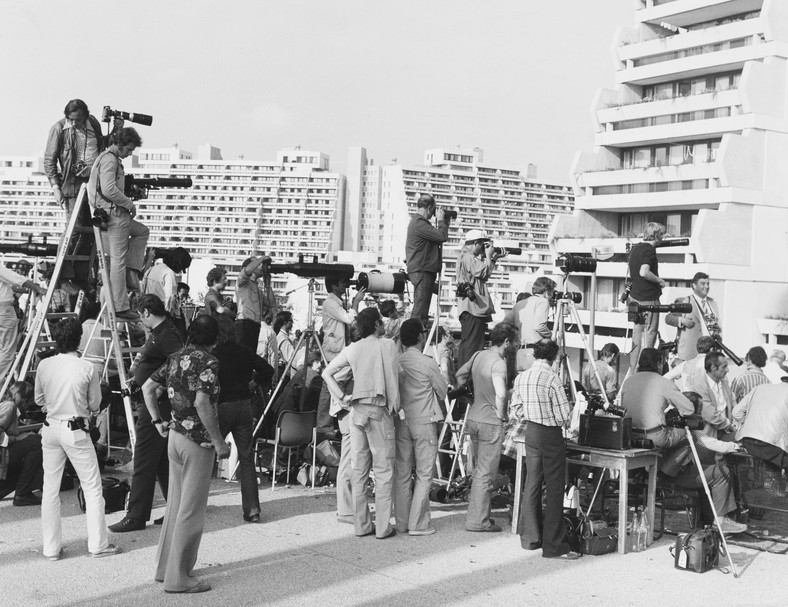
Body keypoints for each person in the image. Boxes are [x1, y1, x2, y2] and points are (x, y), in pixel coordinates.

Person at [142, 315, 230, 594]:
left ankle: (164, 568)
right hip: (197, 443)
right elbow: (203, 402)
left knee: (175, 507)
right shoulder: (209, 362)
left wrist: (158, 421)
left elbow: (148, 388)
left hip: (175, 437)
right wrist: (219, 442)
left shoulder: (175, 357)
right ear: (215, 339)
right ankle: (179, 577)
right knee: (191, 510)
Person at [620, 348, 746, 535]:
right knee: (692, 436)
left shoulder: (629, 381)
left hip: (631, 435)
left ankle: (663, 475)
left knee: (690, 441)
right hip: (656, 436)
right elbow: (687, 408)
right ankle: (720, 518)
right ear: (659, 363)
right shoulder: (662, 382)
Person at [36, 317, 121, 560]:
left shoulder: (44, 366)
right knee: (92, 487)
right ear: (79, 338)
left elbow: (39, 400)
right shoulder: (86, 368)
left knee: (50, 489)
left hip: (50, 428)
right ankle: (98, 545)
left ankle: (51, 548)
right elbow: (94, 404)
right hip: (76, 430)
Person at [322, 307, 400, 540]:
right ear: (376, 324)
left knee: (359, 470)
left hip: (356, 411)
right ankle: (383, 527)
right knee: (384, 470)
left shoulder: (353, 348)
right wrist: (396, 407)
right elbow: (393, 379)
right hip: (378, 409)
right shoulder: (386, 345)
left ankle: (362, 524)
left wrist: (341, 397)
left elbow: (327, 373)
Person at [109, 295, 184, 533]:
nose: (140, 322)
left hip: (156, 404)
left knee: (142, 460)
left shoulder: (167, 334)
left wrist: (157, 384)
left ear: (146, 312)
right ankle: (176, 508)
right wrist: (139, 380)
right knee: (161, 461)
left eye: (141, 316)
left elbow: (181, 362)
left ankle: (136, 516)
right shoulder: (162, 332)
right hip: (152, 399)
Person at [44, 99, 123, 284]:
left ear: (85, 116)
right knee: (74, 228)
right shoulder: (59, 129)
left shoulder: (93, 123)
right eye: (71, 119)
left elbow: (104, 145)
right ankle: (61, 274)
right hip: (72, 185)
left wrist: (116, 131)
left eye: (78, 119)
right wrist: (55, 187)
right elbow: (49, 160)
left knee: (89, 230)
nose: (74, 123)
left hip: (94, 183)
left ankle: (80, 276)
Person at [514, 339, 579, 559]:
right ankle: (554, 546)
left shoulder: (522, 376)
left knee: (532, 482)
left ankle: (530, 538)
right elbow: (563, 416)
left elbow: (516, 409)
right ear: (554, 357)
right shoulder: (553, 379)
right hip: (550, 434)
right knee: (554, 488)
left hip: (531, 431)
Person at [456, 322, 518, 533]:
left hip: (473, 418)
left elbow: (459, 376)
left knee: (478, 472)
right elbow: (501, 393)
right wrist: (502, 415)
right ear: (507, 342)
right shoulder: (499, 363)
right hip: (491, 422)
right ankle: (478, 522)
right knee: (486, 474)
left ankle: (481, 515)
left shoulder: (477, 356)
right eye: (515, 343)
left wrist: (470, 397)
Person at [212, 315, 272, 523]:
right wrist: (253, 384)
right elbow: (268, 370)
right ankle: (252, 509)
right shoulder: (244, 351)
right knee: (247, 460)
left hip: (221, 406)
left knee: (205, 453)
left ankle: (196, 504)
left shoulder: (213, 354)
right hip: (244, 406)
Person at [87, 127, 150, 321]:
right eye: (129, 149)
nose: (130, 153)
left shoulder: (107, 159)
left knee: (142, 231)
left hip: (112, 213)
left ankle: (132, 272)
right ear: (120, 144)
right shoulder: (109, 159)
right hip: (115, 215)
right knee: (117, 262)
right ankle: (120, 306)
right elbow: (108, 189)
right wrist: (128, 204)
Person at [394, 318, 448, 536]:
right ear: (420, 336)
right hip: (424, 420)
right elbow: (443, 392)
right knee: (425, 474)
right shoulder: (427, 362)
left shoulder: (397, 360)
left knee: (403, 473)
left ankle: (401, 522)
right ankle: (418, 524)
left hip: (401, 420)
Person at [316, 273, 364, 439]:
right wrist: (356, 302)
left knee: (337, 385)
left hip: (339, 349)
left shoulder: (339, 303)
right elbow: (349, 319)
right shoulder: (330, 303)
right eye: (343, 283)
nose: (345, 286)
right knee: (328, 388)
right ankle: (323, 425)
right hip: (333, 351)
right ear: (334, 285)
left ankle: (331, 422)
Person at [456, 229, 500, 368]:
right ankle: (467, 381)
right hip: (473, 309)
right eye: (483, 245)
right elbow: (483, 272)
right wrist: (489, 256)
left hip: (470, 309)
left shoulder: (465, 256)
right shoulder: (468, 257)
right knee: (473, 347)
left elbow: (483, 274)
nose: (483, 249)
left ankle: (463, 380)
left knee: (469, 344)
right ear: (476, 243)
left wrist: (492, 259)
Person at [627, 222, 667, 371]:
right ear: (656, 235)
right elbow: (644, 272)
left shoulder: (635, 249)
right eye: (662, 234)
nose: (663, 238)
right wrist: (659, 280)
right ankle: (646, 369)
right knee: (650, 335)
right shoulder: (649, 250)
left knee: (636, 335)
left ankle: (633, 369)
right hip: (648, 298)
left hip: (635, 298)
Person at [405, 193, 450, 325]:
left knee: (422, 310)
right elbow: (441, 236)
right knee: (420, 312)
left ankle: (416, 337)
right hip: (422, 270)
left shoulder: (419, 223)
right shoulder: (419, 223)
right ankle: (414, 340)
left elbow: (438, 236)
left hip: (422, 270)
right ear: (430, 207)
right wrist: (441, 221)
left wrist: (444, 223)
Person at [0, 381, 43, 505]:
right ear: (23, 399)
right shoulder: (10, 406)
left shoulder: (9, 406)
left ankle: (9, 488)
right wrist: (18, 439)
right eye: (29, 401)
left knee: (31, 440)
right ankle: (22, 494)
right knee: (36, 442)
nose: (29, 405)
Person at [0, 263, 44, 384]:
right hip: (3, 310)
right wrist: (36, 287)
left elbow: (10, 285)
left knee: (2, 349)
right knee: (7, 351)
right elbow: (17, 279)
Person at [665, 272, 721, 363]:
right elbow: (668, 318)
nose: (706, 286)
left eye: (708, 284)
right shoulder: (685, 301)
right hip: (691, 352)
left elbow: (717, 326)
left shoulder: (712, 303)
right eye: (703, 284)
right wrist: (681, 320)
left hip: (710, 352)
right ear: (694, 285)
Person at [734, 382, 788, 471]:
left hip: (748, 440)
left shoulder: (759, 388)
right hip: (772, 445)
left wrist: (748, 424)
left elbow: (736, 412)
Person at [141, 247, 192, 338]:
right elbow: (170, 298)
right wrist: (169, 316)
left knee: (151, 343)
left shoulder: (153, 268)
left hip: (147, 312)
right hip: (160, 316)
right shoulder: (169, 273)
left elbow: (142, 286)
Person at [689, 351, 737, 438]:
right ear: (713, 367)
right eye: (724, 367)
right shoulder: (699, 385)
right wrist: (728, 425)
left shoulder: (724, 382)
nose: (728, 370)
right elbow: (710, 414)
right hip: (707, 435)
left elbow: (733, 404)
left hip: (726, 430)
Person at [235, 255, 277, 352]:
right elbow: (246, 271)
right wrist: (262, 259)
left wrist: (267, 285)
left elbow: (272, 304)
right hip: (244, 323)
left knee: (250, 357)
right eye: (259, 264)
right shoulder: (243, 282)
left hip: (255, 325)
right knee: (244, 356)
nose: (262, 266)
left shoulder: (257, 289)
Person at [516, 277, 555, 372]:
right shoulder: (542, 301)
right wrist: (550, 336)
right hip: (534, 352)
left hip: (520, 353)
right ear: (547, 291)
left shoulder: (521, 303)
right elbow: (539, 326)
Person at [275, 311, 296, 379]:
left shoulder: (283, 336)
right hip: (283, 373)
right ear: (285, 322)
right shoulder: (282, 338)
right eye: (290, 320)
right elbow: (291, 357)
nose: (292, 322)